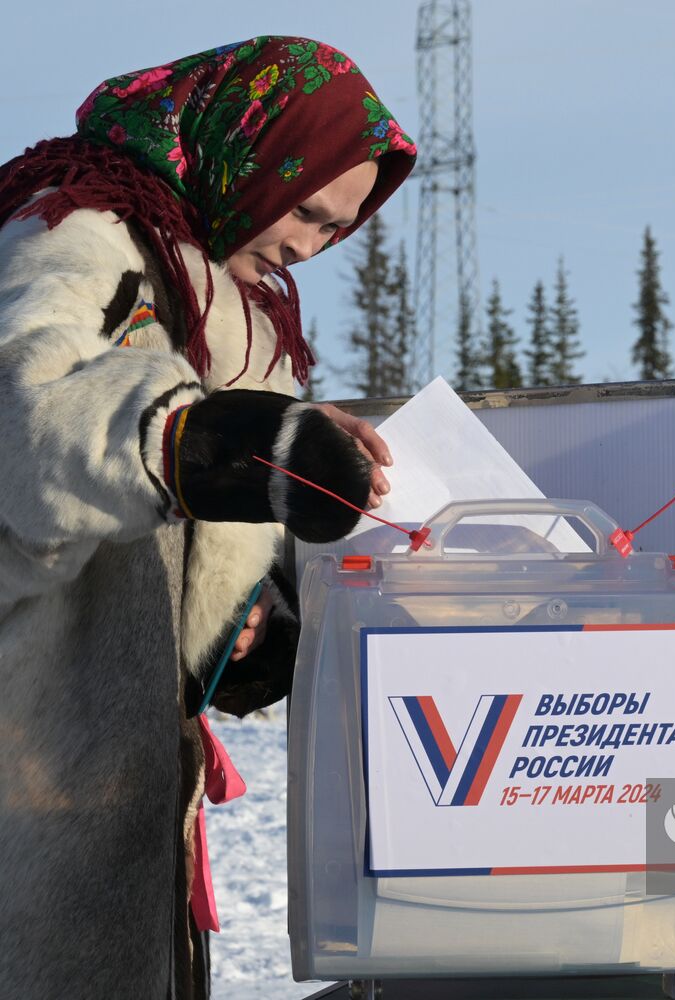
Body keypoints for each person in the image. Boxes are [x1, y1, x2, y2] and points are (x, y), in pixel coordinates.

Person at [0, 37, 415, 997]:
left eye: (338, 229)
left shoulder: (228, 310)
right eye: (308, 208)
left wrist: (245, 627)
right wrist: (212, 440)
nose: (312, 244)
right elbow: (28, 421)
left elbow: (171, 539)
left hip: (112, 799)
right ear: (254, 155)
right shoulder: (71, 235)